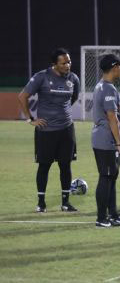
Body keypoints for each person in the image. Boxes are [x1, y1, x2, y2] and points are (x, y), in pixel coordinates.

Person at [18, 48, 81, 213]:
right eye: (63, 63)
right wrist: (31, 119)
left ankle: (65, 203)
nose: (67, 65)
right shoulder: (42, 77)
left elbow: (73, 98)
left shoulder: (74, 79)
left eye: (69, 61)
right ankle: (41, 203)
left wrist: (62, 114)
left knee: (65, 166)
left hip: (67, 129)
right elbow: (22, 96)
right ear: (54, 64)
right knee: (44, 166)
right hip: (46, 130)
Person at [91, 54, 120, 228]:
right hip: (106, 139)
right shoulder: (108, 89)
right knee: (106, 177)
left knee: (111, 177)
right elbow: (112, 118)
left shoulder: (102, 85)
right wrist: (119, 143)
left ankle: (113, 214)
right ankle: (101, 218)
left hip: (103, 138)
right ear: (114, 67)